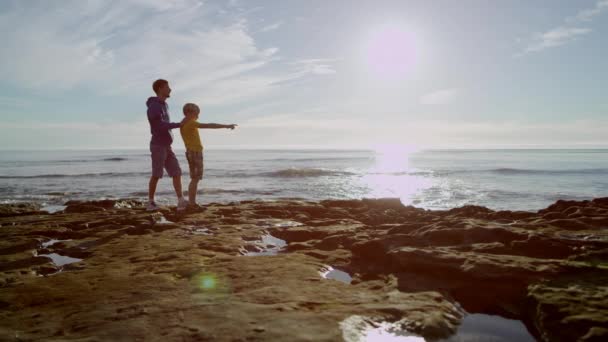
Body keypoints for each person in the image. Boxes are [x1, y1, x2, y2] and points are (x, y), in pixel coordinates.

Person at [180, 103, 237, 208]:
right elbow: (210, 125)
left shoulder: (183, 124)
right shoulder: (191, 123)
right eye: (197, 113)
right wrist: (226, 126)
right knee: (195, 179)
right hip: (195, 152)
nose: (198, 116)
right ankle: (192, 203)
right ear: (189, 112)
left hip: (190, 152)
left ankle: (191, 202)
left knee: (194, 178)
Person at [146, 79, 189, 211]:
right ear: (160, 89)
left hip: (167, 146)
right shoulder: (154, 106)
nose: (170, 89)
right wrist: (179, 124)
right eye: (167, 87)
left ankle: (181, 200)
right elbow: (158, 126)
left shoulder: (165, 105)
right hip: (158, 145)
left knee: (176, 172)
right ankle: (151, 203)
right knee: (157, 174)